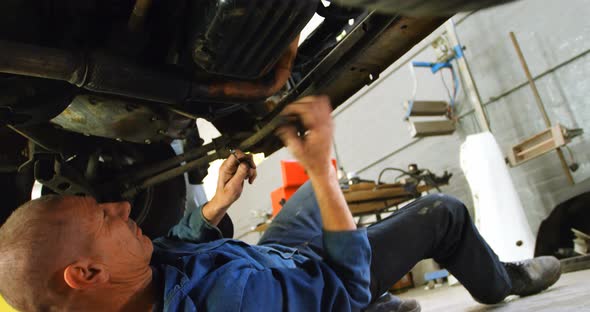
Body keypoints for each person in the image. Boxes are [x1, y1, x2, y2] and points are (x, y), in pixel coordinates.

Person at [0, 96, 561, 312]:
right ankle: (503, 283)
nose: (123, 209)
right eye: (106, 218)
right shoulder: (234, 303)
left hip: (273, 263)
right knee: (442, 214)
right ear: (85, 271)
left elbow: (176, 244)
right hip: (318, 286)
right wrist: (319, 168)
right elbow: (345, 281)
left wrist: (217, 203)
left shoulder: (124, 285)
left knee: (312, 203)